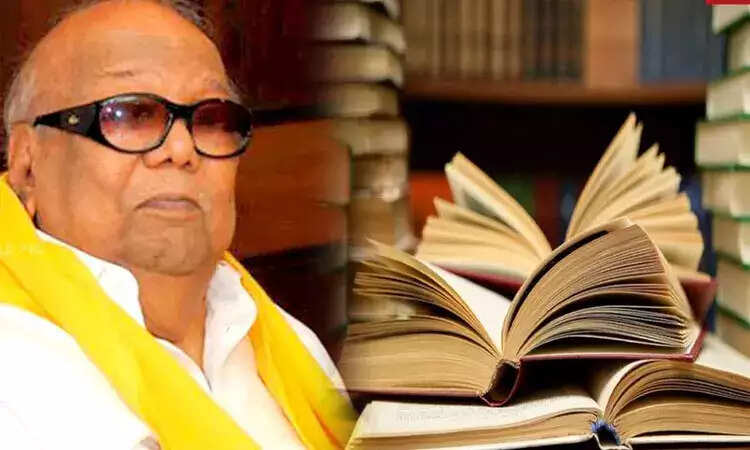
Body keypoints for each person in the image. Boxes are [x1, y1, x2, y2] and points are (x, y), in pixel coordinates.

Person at [0, 1, 354, 449]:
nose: (182, 149)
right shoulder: (15, 361)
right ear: (27, 162)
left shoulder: (278, 336)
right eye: (129, 114)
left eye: (211, 120)